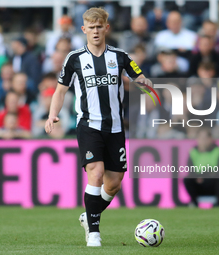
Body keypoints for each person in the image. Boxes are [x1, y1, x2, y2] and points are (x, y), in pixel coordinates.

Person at [45, 7, 148, 247]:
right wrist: (52, 115)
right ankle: (94, 233)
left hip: (115, 127)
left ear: (106, 28)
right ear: (84, 30)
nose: (95, 31)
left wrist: (145, 82)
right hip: (89, 125)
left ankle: (88, 216)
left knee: (113, 183)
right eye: (90, 27)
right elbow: (60, 90)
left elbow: (139, 76)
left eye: (99, 26)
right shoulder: (74, 58)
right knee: (96, 173)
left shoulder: (120, 56)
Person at [184, 128, 219, 207]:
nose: (204, 141)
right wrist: (198, 176)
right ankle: (194, 202)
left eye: (206, 138)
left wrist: (203, 175)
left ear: (210, 139)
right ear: (197, 139)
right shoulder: (193, 152)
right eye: (201, 138)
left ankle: (218, 202)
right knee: (187, 179)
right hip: (199, 182)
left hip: (212, 182)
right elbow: (190, 169)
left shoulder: (217, 150)